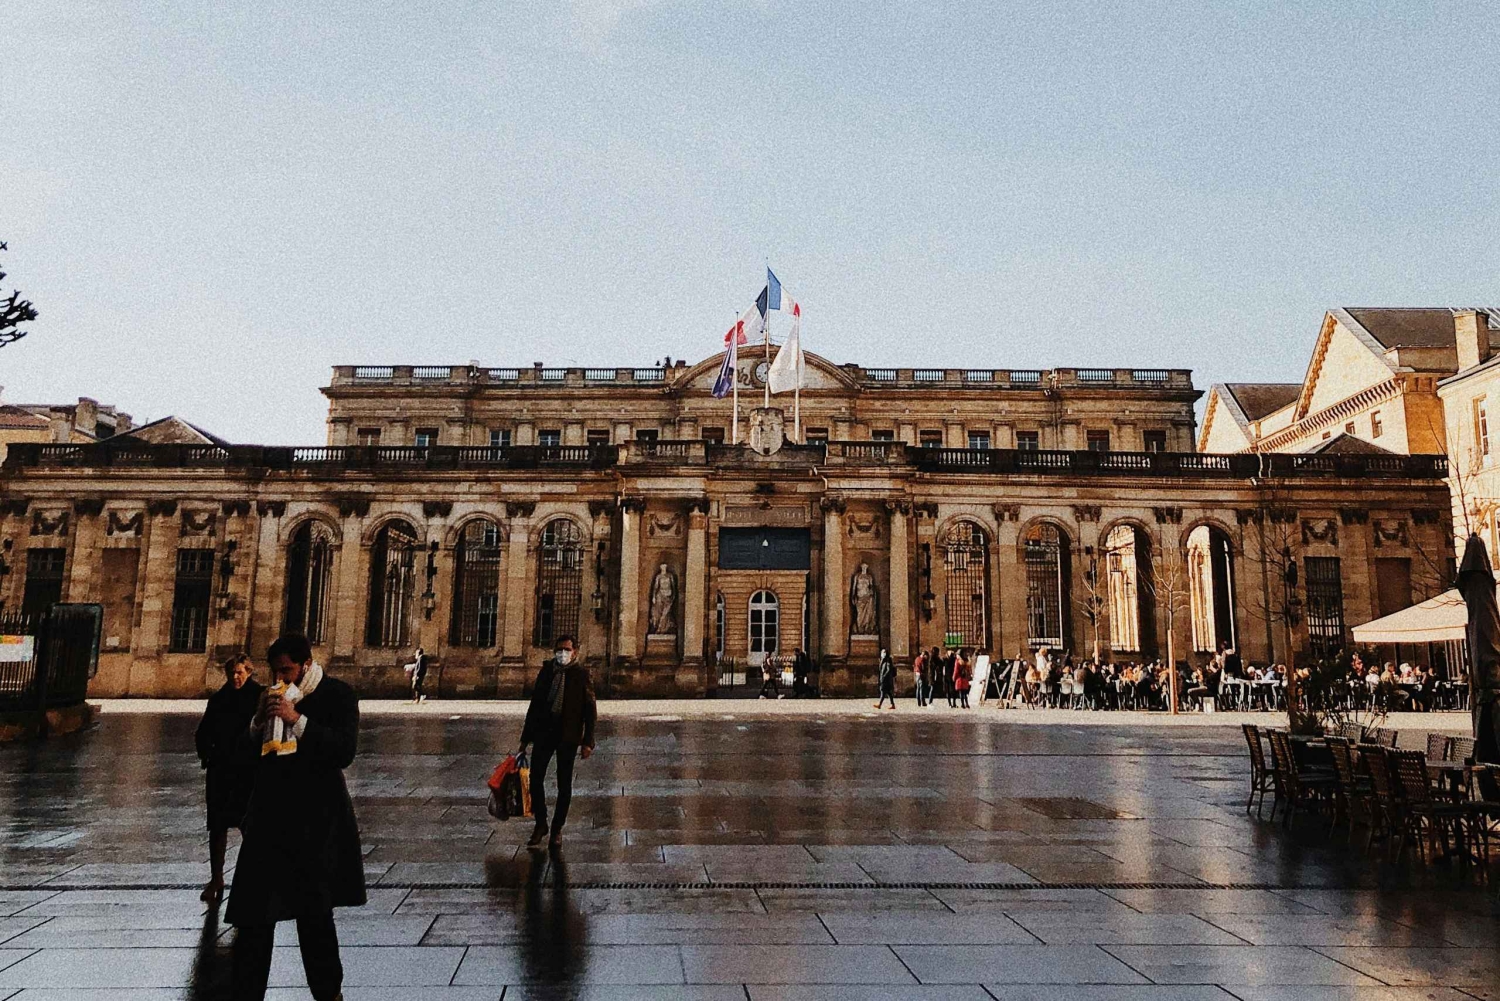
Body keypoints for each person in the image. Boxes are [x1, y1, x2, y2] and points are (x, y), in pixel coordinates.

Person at [227, 634, 364, 1001]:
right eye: (275, 671)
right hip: (268, 821)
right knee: (254, 917)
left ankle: (328, 994)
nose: (280, 678)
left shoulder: (337, 695)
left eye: (286, 670)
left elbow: (343, 750)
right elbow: (242, 756)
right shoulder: (267, 697)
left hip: (314, 824)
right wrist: (257, 723)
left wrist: (297, 719)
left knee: (315, 917)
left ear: (306, 664)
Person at [195, 653, 263, 903]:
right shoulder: (219, 699)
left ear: (249, 672)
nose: (235, 677)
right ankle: (216, 878)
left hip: (248, 770)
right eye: (232, 672)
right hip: (221, 769)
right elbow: (203, 732)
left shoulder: (260, 697)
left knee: (249, 826)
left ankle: (250, 878)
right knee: (217, 826)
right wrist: (207, 755)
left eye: (240, 672)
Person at [519, 635, 597, 849]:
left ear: (575, 651)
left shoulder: (581, 674)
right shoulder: (546, 672)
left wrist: (588, 741)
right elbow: (534, 706)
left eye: (567, 649)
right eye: (559, 649)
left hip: (568, 735)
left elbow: (590, 709)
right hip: (544, 731)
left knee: (564, 785)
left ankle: (557, 828)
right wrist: (525, 739)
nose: (562, 653)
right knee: (535, 780)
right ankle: (541, 823)